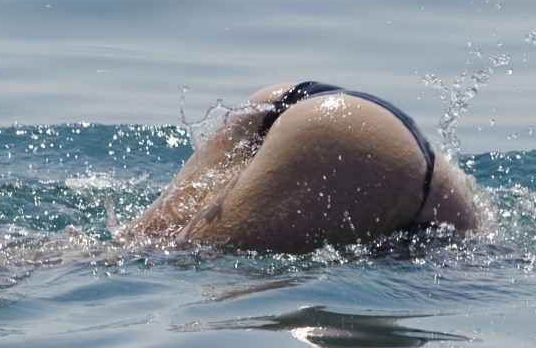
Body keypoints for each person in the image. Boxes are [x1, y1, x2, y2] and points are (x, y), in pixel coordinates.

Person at [121, 81, 479, 253]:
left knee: (129, 250)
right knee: (179, 259)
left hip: (288, 98)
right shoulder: (465, 240)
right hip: (347, 141)